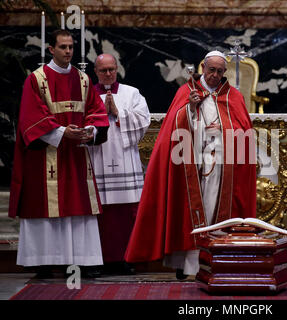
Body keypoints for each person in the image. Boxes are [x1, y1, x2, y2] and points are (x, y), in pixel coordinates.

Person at [125, 50, 256, 279]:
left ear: (225, 73)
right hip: (191, 165)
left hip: (223, 167)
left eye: (219, 71)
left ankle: (217, 262)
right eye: (211, 70)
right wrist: (190, 109)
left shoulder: (233, 96)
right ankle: (188, 264)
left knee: (217, 212)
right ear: (203, 67)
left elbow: (244, 131)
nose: (215, 75)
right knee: (190, 212)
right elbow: (173, 128)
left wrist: (225, 134)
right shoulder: (186, 92)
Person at [8, 29, 109, 278]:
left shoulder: (83, 80)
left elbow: (97, 111)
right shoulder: (36, 79)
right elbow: (30, 117)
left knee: (78, 206)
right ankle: (44, 262)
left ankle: (82, 261)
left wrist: (90, 131)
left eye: (71, 47)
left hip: (75, 156)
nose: (68, 51)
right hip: (45, 156)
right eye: (63, 47)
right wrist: (63, 132)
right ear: (51, 50)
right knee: (45, 206)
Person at [88, 53, 150, 275]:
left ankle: (125, 258)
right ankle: (99, 260)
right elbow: (78, 122)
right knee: (99, 213)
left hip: (125, 161)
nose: (108, 74)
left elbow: (144, 119)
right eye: (103, 70)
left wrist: (118, 113)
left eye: (111, 69)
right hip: (97, 159)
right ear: (95, 71)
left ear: (117, 68)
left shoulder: (131, 93)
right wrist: (99, 120)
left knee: (126, 213)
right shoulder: (86, 93)